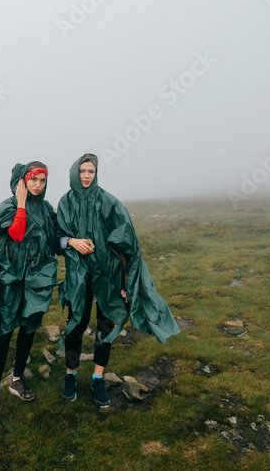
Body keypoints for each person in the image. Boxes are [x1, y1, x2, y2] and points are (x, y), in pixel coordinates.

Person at [56, 153, 179, 407]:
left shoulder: (109, 202)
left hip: (108, 275)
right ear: (74, 173)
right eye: (82, 171)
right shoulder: (66, 202)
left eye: (91, 171)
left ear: (96, 173)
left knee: (106, 324)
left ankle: (98, 379)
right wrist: (72, 241)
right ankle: (70, 375)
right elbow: (57, 236)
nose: (87, 176)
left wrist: (125, 281)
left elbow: (127, 240)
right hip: (78, 276)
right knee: (75, 323)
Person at [0, 161, 59, 436]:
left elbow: (54, 239)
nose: (38, 185)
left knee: (29, 328)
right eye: (33, 179)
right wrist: (21, 202)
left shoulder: (47, 209)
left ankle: (17, 379)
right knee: (2, 334)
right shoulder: (7, 206)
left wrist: (71, 242)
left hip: (35, 281)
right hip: (8, 282)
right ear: (22, 181)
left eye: (42, 181)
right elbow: (17, 233)